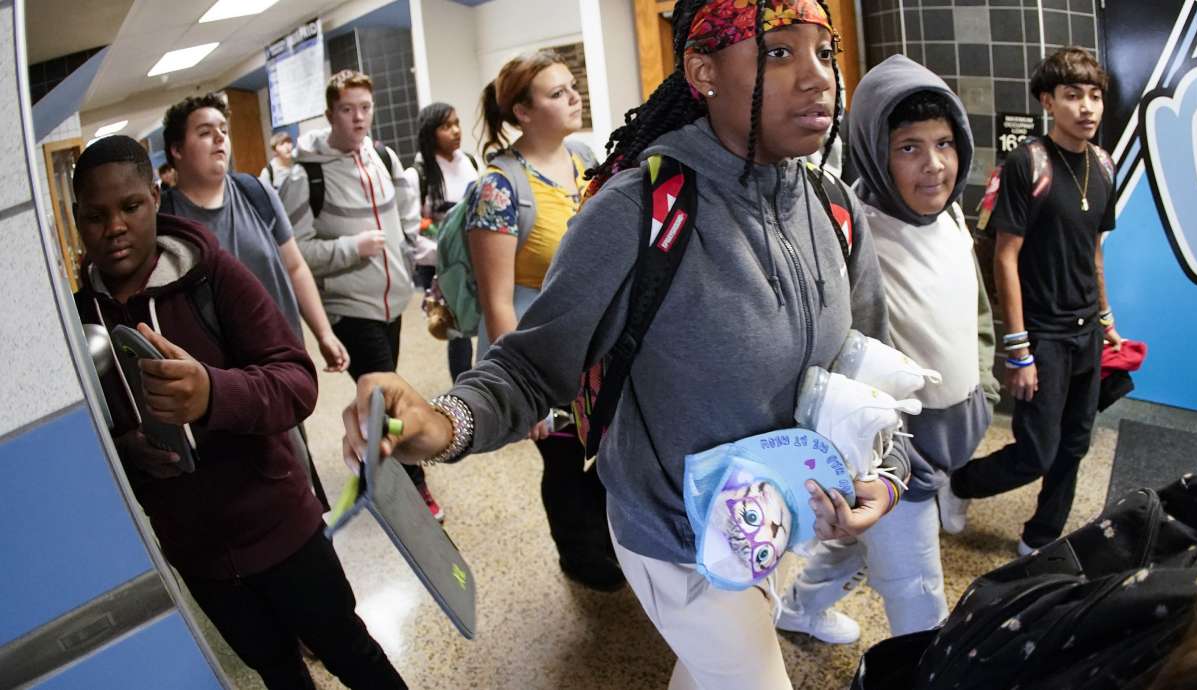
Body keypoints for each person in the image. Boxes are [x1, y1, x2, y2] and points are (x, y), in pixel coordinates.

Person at [342, 2, 906, 687]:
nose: (818, 77)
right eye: (779, 53)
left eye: (825, 51)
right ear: (702, 72)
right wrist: (442, 421)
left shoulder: (833, 205)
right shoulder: (641, 209)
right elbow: (529, 367)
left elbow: (869, 369)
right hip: (674, 532)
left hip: (769, 520)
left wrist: (886, 470)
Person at [72, 135, 405, 690]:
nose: (114, 228)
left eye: (129, 206)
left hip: (278, 525)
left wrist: (212, 394)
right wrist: (123, 449)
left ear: (155, 196)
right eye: (94, 216)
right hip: (195, 550)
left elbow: (297, 381)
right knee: (276, 672)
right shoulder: (79, 319)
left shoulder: (211, 275)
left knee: (351, 653)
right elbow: (86, 436)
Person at [775, 55, 1000, 643]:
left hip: (948, 437)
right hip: (889, 461)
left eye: (945, 144)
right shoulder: (850, 229)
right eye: (908, 148)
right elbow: (832, 355)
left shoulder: (950, 216)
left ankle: (799, 607)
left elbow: (971, 307)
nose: (935, 166)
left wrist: (984, 385)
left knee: (855, 553)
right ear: (875, 149)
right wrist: (875, 455)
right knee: (919, 596)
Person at [939, 47, 1124, 556]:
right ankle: (958, 483)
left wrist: (1106, 317)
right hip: (1042, 333)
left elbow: (1094, 251)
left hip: (1086, 331)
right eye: (1072, 95)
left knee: (1075, 445)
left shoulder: (1104, 166)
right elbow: (1005, 258)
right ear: (1048, 101)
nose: (1086, 107)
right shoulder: (1028, 164)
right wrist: (1018, 349)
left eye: (1094, 96)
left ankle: (1040, 537)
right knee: (1036, 452)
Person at [458, 52, 621, 590]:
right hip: (545, 355)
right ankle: (578, 554)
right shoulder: (498, 190)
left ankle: (608, 539)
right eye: (556, 93)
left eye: (572, 87)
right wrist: (524, 389)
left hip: (599, 346)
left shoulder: (583, 158)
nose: (574, 98)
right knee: (565, 461)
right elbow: (497, 299)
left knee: (608, 451)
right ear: (522, 112)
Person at [159, 93, 350, 509]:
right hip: (223, 385)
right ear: (176, 150)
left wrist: (323, 332)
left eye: (223, 132)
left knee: (296, 472)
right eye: (205, 133)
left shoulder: (255, 193)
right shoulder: (167, 224)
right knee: (258, 487)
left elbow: (295, 267)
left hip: (279, 368)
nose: (219, 141)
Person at [279, 70, 444, 521]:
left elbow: (405, 213)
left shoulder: (383, 158)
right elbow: (297, 253)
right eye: (348, 109)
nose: (358, 118)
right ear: (331, 113)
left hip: (392, 304)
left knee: (384, 391)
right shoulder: (305, 176)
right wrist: (353, 247)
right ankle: (414, 491)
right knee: (386, 397)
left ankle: (378, 469)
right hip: (349, 308)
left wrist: (408, 245)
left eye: (365, 108)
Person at [413, 101, 477, 382]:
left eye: (456, 123)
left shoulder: (471, 163)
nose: (455, 131)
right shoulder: (419, 174)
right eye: (445, 126)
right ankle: (464, 387)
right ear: (430, 132)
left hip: (476, 258)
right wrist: (441, 254)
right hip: (442, 265)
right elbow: (411, 230)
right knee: (457, 329)